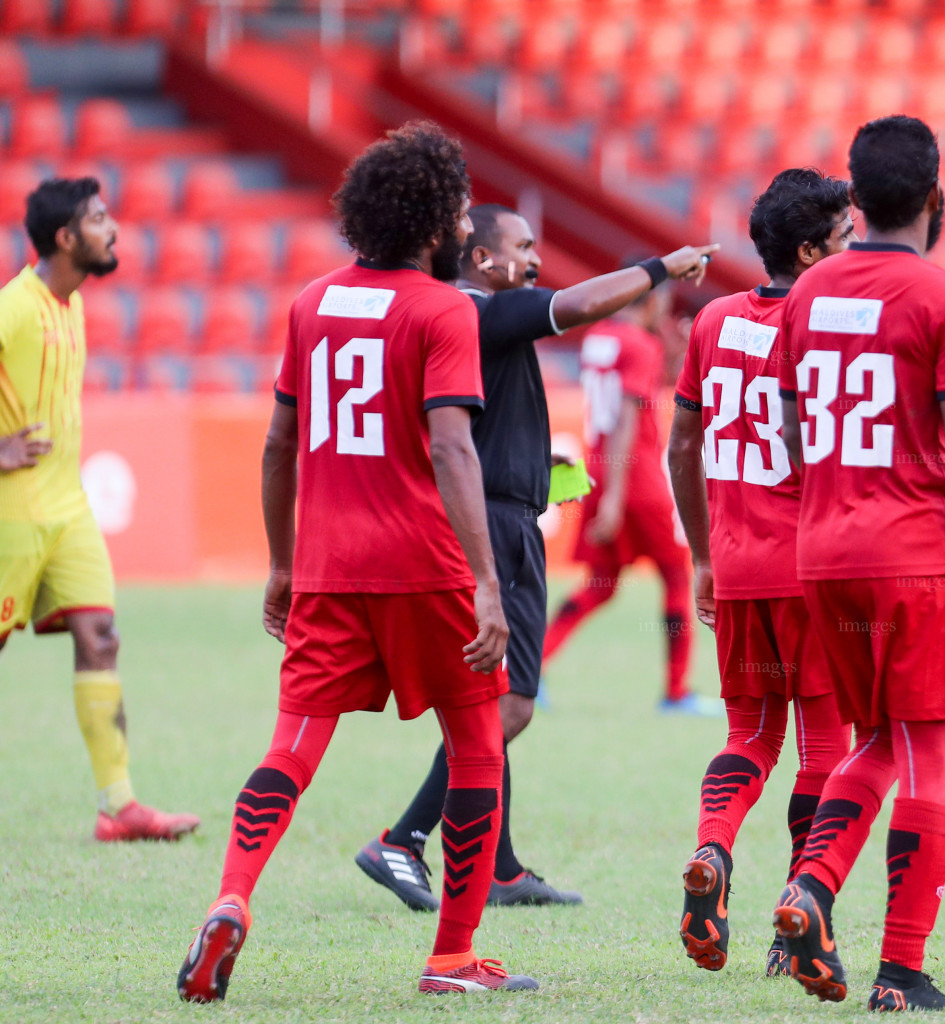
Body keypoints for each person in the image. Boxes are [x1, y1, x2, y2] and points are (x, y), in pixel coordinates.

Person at [176, 122, 535, 1001]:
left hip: (329, 568)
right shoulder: (444, 308)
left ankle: (232, 895)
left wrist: (279, 563)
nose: (463, 225)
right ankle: (451, 958)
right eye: (457, 210)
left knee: (292, 746)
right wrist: (489, 584)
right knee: (479, 745)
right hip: (424, 566)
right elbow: (453, 450)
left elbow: (277, 444)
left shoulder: (312, 303)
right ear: (434, 219)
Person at [354, 203, 718, 912]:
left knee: (500, 693)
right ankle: (404, 838)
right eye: (522, 247)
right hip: (499, 522)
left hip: (508, 509)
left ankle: (501, 866)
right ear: (483, 259)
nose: (533, 259)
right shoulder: (479, 310)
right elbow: (578, 305)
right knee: (510, 707)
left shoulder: (459, 315)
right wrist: (659, 269)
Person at [768, 116, 945, 1012]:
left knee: (873, 739)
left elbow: (796, 423)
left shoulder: (807, 292)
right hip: (911, 557)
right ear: (931, 195)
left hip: (822, 553)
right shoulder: (943, 298)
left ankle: (808, 888)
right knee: (929, 756)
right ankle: (901, 972)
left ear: (855, 193)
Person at [667, 169, 857, 977]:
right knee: (825, 750)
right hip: (810, 569)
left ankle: (712, 849)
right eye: (845, 241)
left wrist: (703, 554)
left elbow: (681, 444)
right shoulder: (826, 323)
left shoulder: (712, 320)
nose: (856, 254)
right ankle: (798, 911)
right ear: (810, 250)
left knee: (747, 735)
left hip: (738, 563)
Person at [0, 177, 198, 841]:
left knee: (101, 637)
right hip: (11, 516)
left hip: (69, 511)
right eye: (99, 219)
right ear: (65, 238)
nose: (113, 229)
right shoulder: (18, 307)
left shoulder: (72, 305)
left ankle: (119, 807)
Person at [541, 261, 717, 714]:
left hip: (598, 473)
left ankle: (530, 670)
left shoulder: (600, 335)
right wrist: (618, 496)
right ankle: (677, 692)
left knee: (600, 583)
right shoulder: (639, 343)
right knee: (680, 574)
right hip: (634, 481)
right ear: (654, 298)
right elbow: (626, 415)